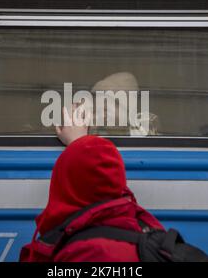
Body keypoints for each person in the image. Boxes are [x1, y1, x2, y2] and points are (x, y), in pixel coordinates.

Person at [20, 105, 165, 262]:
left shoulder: (83, 253)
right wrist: (81, 146)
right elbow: (105, 183)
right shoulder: (147, 231)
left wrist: (78, 149)